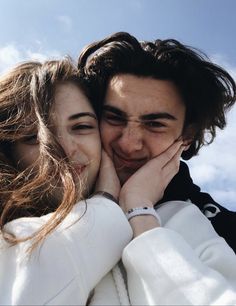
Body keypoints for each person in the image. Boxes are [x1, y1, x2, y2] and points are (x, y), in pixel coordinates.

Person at [0, 58, 236, 306]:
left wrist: (140, 211)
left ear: (186, 136)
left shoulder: (182, 220)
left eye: (81, 126)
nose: (65, 150)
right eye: (32, 137)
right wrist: (105, 205)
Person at [78, 31, 236, 253]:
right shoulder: (43, 198)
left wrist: (137, 208)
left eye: (155, 124)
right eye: (114, 117)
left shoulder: (228, 233)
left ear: (188, 135)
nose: (128, 144)